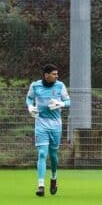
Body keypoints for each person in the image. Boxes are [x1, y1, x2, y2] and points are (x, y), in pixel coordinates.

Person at [25, 64, 71, 197]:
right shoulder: (35, 86)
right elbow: (29, 98)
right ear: (46, 75)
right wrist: (30, 107)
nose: (57, 76)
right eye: (54, 74)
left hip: (56, 125)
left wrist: (60, 104)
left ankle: (54, 177)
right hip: (41, 124)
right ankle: (41, 186)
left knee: (53, 156)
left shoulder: (60, 86)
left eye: (57, 74)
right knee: (42, 154)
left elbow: (69, 101)